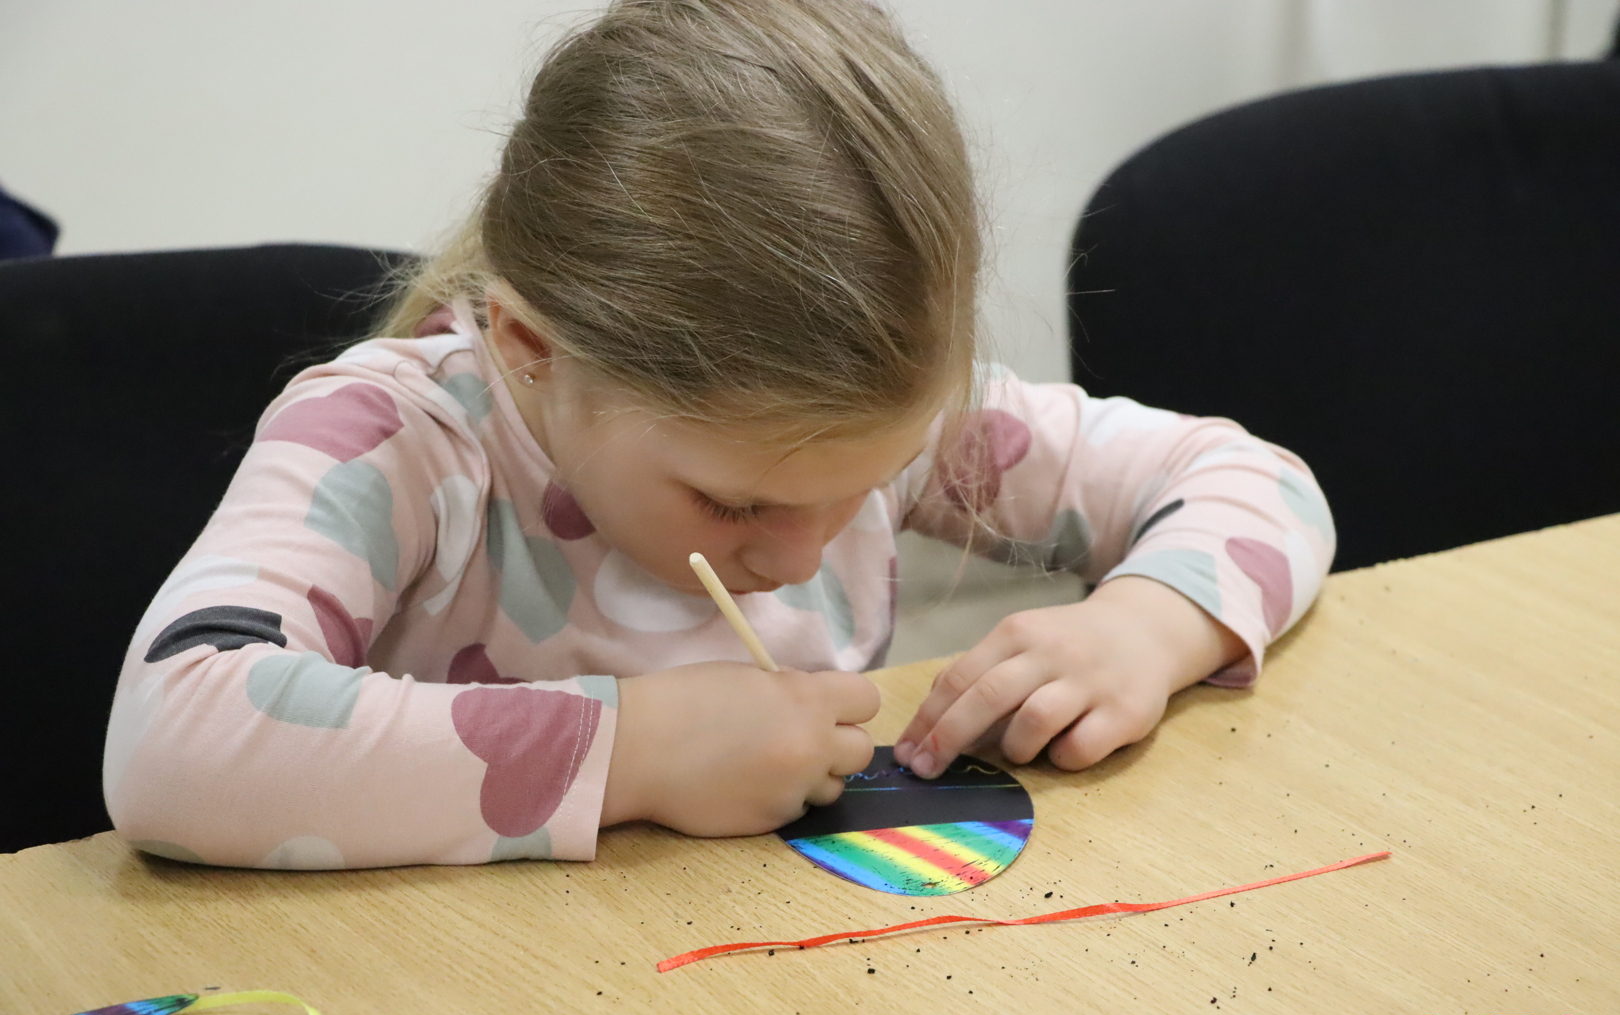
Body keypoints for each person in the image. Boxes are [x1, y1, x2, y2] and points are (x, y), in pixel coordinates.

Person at [105, 0, 1333, 870]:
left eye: (860, 489)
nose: (800, 558)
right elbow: (173, 744)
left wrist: (1148, 625)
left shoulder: (877, 426)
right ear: (532, 348)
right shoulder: (400, 442)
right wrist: (633, 752)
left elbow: (1255, 480)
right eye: (735, 506)